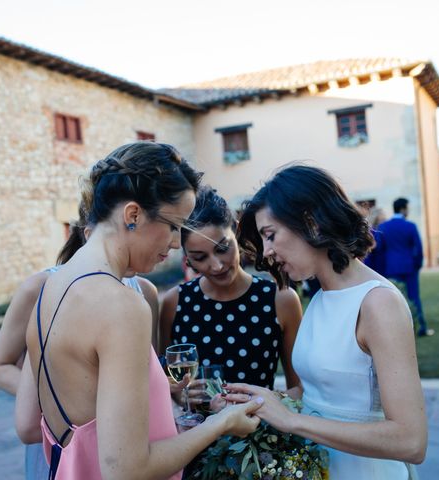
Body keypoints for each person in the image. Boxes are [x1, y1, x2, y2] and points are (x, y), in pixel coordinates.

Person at [15, 142, 262, 480]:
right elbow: (128, 469)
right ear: (132, 215)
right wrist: (221, 424)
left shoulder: (48, 290)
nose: (177, 243)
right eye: (174, 225)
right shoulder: (121, 304)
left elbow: (29, 425)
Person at [222, 164, 426, 479]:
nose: (267, 253)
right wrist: (262, 400)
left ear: (312, 222)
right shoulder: (319, 298)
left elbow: (411, 441)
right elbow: (318, 394)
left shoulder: (377, 303)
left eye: (271, 235)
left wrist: (290, 421)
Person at [0, 204, 163, 480]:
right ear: (89, 233)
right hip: (64, 439)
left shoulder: (145, 292)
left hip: (129, 441)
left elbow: (143, 373)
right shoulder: (41, 288)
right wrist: (66, 395)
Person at [160, 185, 302, 397]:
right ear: (186, 258)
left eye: (222, 248)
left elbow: (299, 389)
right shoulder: (175, 303)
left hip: (260, 427)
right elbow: (165, 384)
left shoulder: (279, 299)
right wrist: (180, 395)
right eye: (200, 257)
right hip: (199, 430)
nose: (217, 265)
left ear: (235, 231)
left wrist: (258, 402)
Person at [378, 198, 432, 337]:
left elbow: (380, 250)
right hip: (409, 267)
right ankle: (421, 327)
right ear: (402, 209)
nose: (408, 211)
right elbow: (418, 249)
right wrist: (417, 265)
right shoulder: (410, 226)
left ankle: (397, 330)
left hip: (391, 268)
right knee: (414, 297)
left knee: (395, 300)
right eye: (407, 208)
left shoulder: (384, 227)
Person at [364, 207, 387, 276]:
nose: (384, 217)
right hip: (373, 262)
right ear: (376, 216)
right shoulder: (371, 231)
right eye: (382, 215)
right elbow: (374, 246)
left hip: (380, 261)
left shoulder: (381, 230)